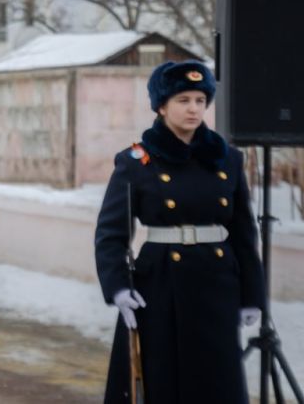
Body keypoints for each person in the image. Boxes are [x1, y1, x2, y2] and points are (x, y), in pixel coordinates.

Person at [94, 60, 265, 404]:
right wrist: (116, 287)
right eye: (183, 100)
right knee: (164, 384)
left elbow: (244, 232)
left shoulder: (227, 159)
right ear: (161, 106)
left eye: (200, 100)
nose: (193, 108)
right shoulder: (136, 160)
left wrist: (252, 295)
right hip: (160, 286)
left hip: (217, 284)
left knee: (217, 386)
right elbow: (111, 233)